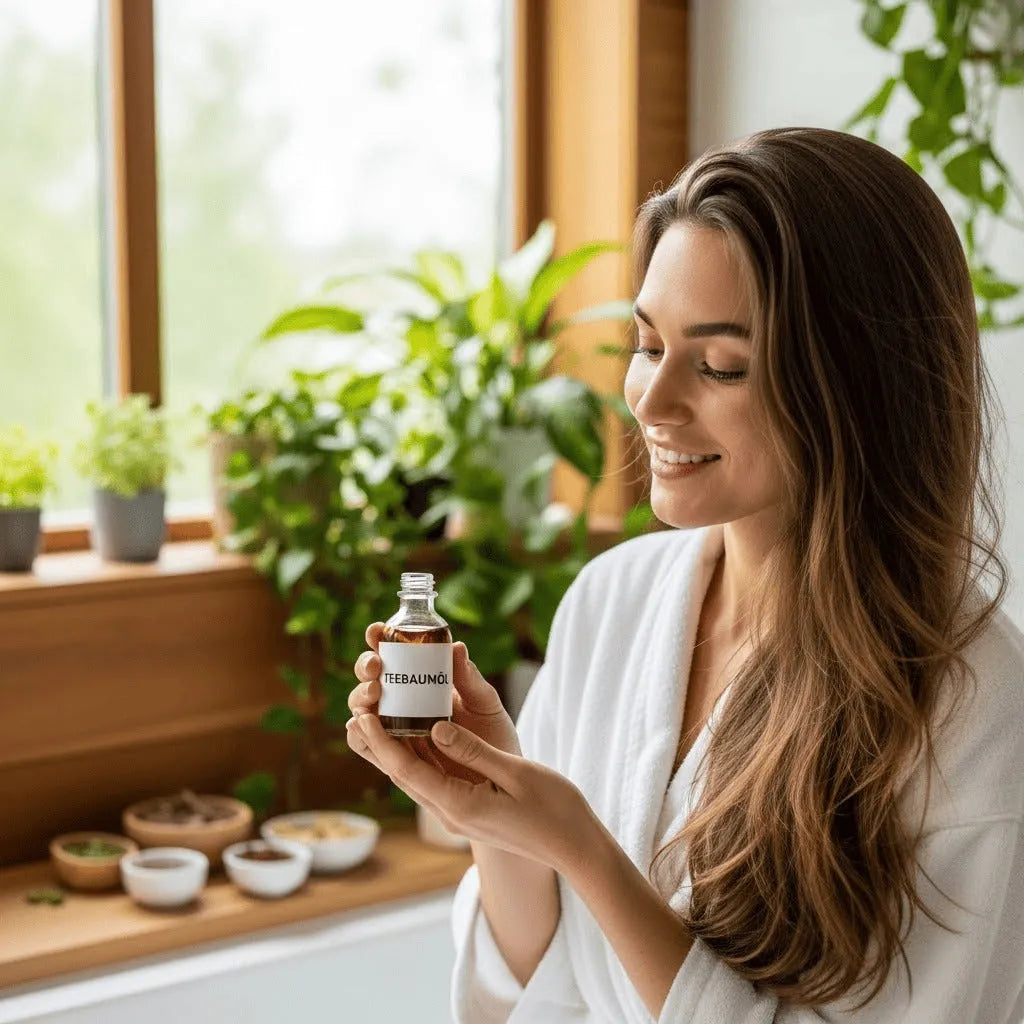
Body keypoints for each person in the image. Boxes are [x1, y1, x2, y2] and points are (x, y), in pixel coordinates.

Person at [345, 127, 1024, 1023]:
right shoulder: (613, 601)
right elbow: (537, 992)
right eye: (646, 341)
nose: (651, 401)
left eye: (719, 365)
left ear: (860, 385)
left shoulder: (973, 710)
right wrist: (494, 815)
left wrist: (584, 849)